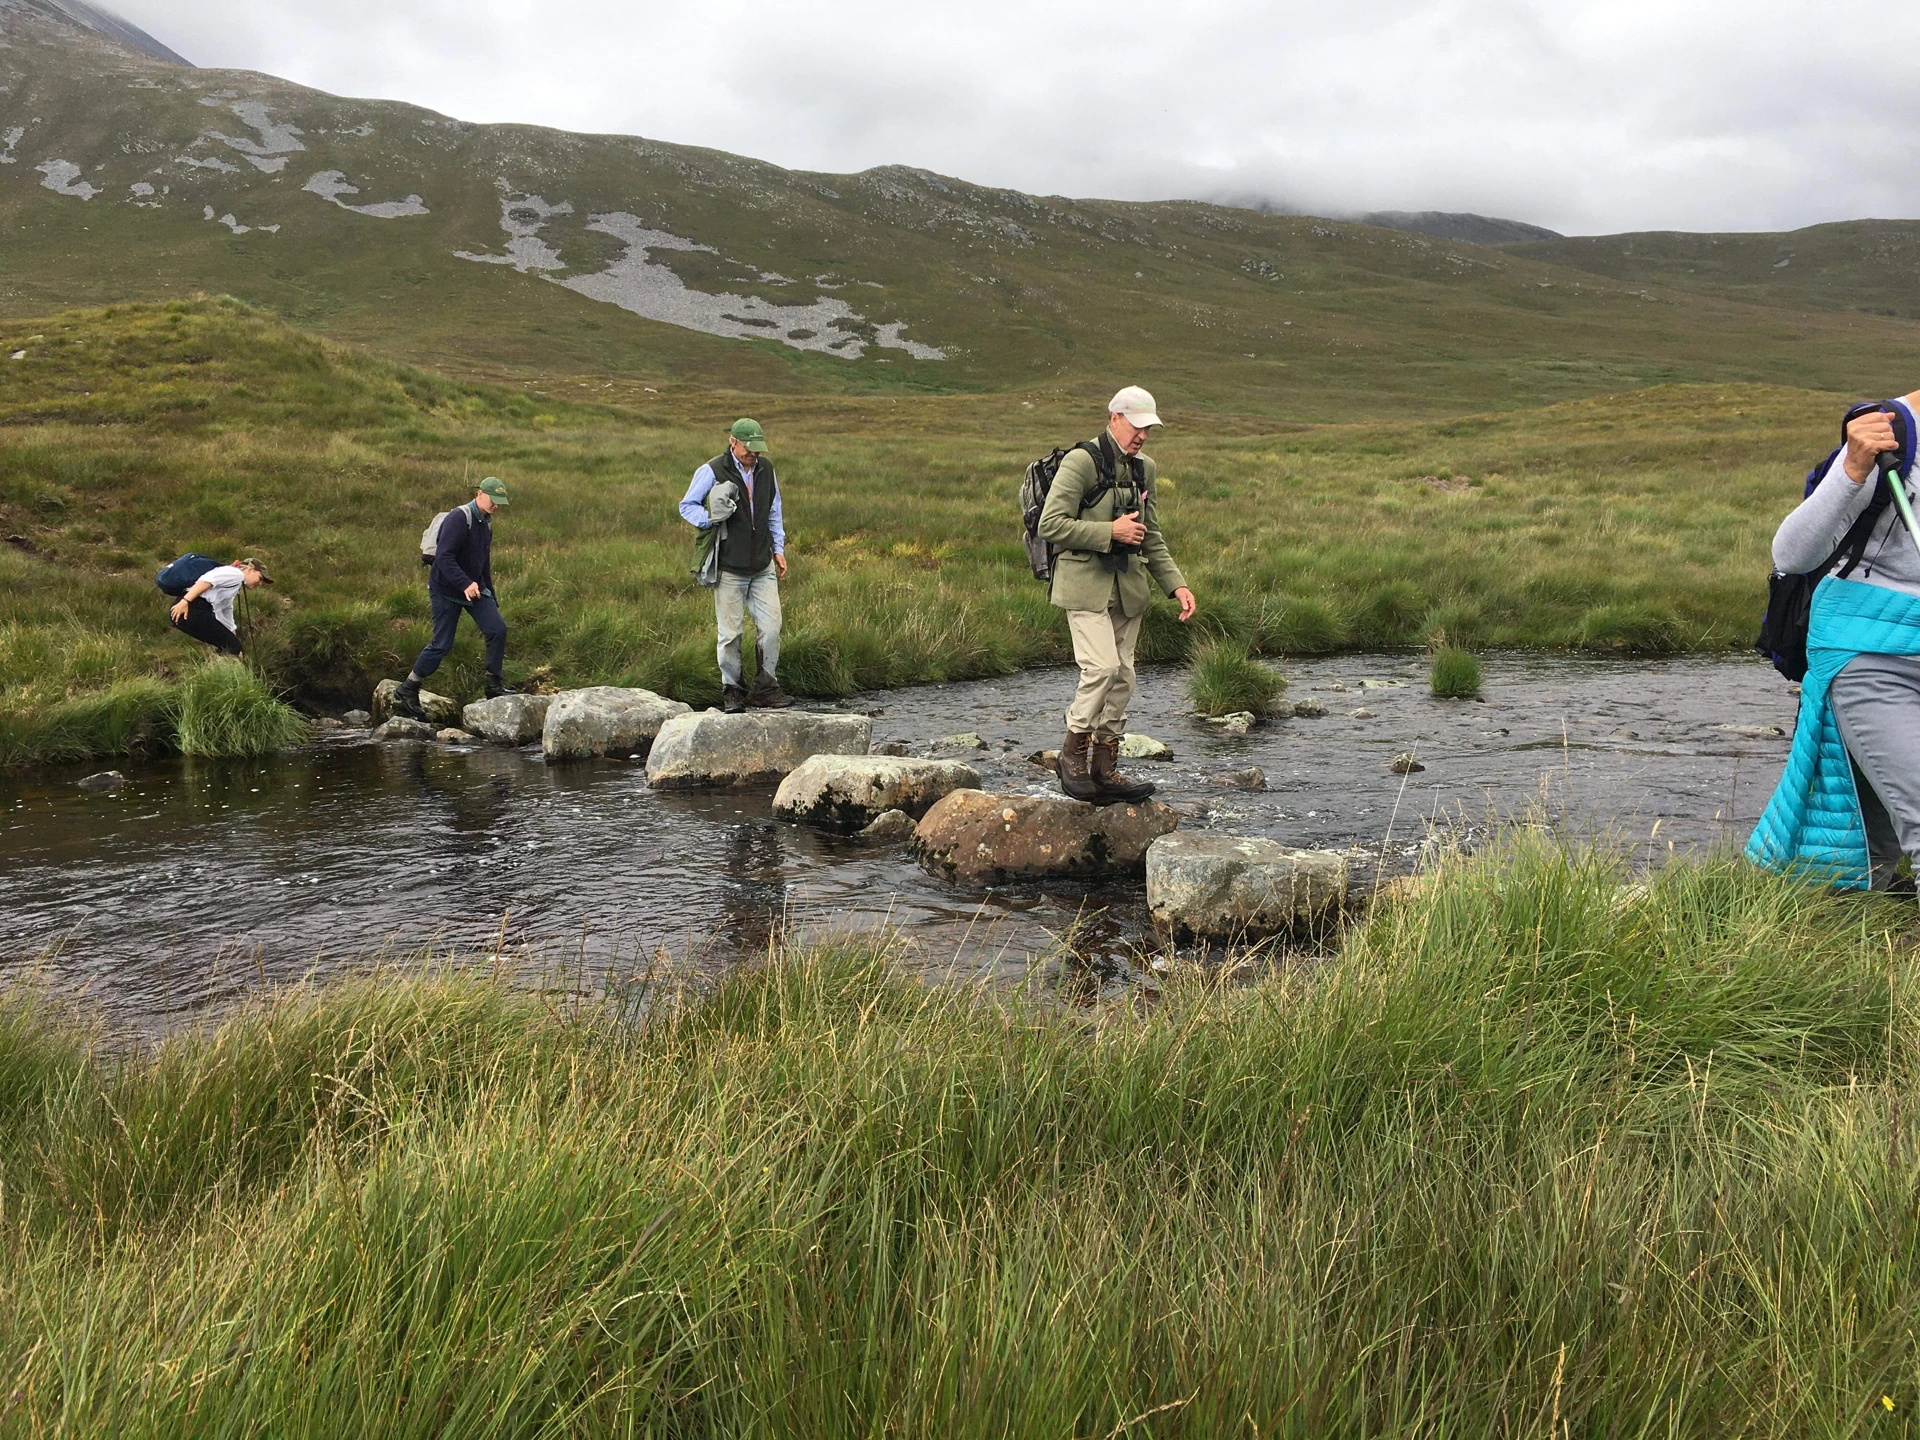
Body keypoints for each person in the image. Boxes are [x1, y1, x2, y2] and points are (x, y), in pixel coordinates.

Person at [1749, 393, 1920, 892]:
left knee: (1863, 839)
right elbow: (1792, 553)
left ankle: (1822, 946)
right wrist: (1852, 467)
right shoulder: (1891, 436)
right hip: (1869, 654)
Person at [1037, 385, 1196, 803]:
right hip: (1084, 586)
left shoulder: (1146, 469)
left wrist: (1175, 584)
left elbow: (1152, 536)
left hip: (1128, 589)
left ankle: (1105, 769)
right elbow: (1050, 525)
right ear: (1114, 419)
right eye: (1137, 426)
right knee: (1102, 668)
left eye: (1149, 428)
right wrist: (1110, 532)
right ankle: (1071, 755)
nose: (1143, 435)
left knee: (1124, 677)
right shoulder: (1081, 462)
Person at [679, 418, 792, 713]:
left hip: (763, 565)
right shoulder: (712, 470)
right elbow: (686, 505)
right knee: (730, 634)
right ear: (733, 442)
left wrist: (778, 549)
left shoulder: (767, 470)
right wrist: (711, 517)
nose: (753, 455)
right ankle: (732, 691)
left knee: (772, 628)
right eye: (749, 450)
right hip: (729, 567)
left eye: (758, 450)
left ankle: (766, 689)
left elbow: (774, 510)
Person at [394, 476, 515, 719]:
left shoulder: (487, 522)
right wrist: (465, 583)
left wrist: (490, 593)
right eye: (494, 500)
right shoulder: (459, 518)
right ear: (480, 494)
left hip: (474, 589)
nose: (496, 506)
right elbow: (444, 558)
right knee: (442, 644)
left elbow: (483, 562)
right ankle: (408, 688)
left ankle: (493, 687)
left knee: (497, 629)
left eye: (500, 502)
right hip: (446, 589)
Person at [168, 558, 272, 655]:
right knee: (232, 646)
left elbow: (225, 610)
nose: (260, 583)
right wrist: (184, 601)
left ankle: (222, 667)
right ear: (249, 570)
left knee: (229, 645)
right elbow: (206, 581)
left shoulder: (233, 584)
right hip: (190, 609)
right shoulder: (236, 574)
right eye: (260, 578)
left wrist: (232, 635)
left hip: (189, 611)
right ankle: (225, 669)